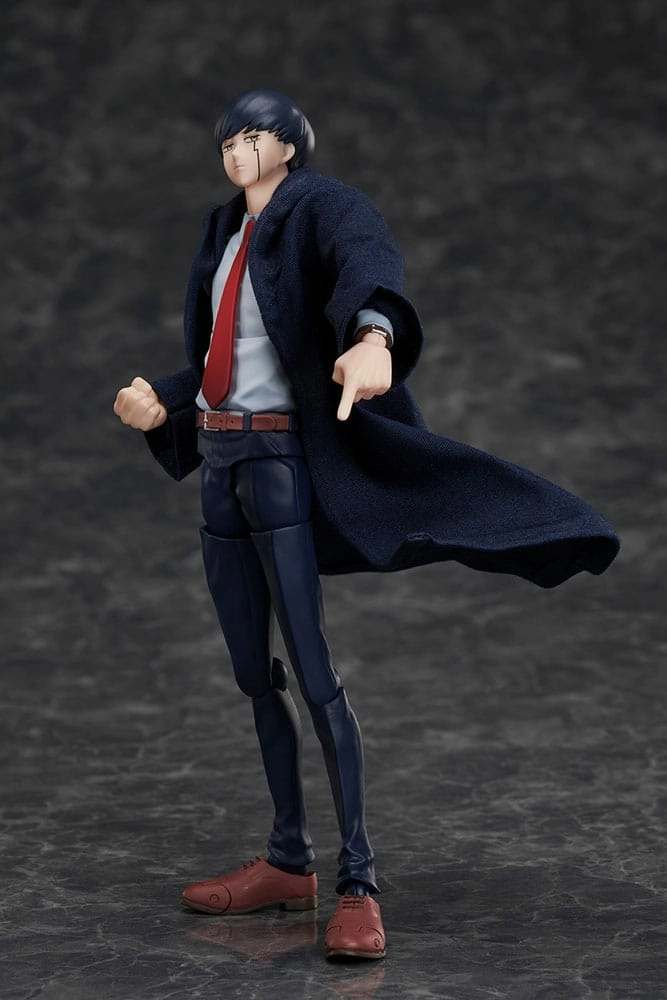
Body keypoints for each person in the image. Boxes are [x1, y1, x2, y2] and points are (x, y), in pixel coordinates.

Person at [113, 89, 619, 962]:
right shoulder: (223, 229)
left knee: (313, 674)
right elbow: (227, 353)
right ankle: (287, 860)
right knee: (252, 674)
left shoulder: (323, 205)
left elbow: (365, 262)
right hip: (221, 463)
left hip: (279, 463)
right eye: (226, 139)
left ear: (289, 145)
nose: (235, 150)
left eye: (252, 136)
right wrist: (163, 401)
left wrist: (374, 335)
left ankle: (357, 880)